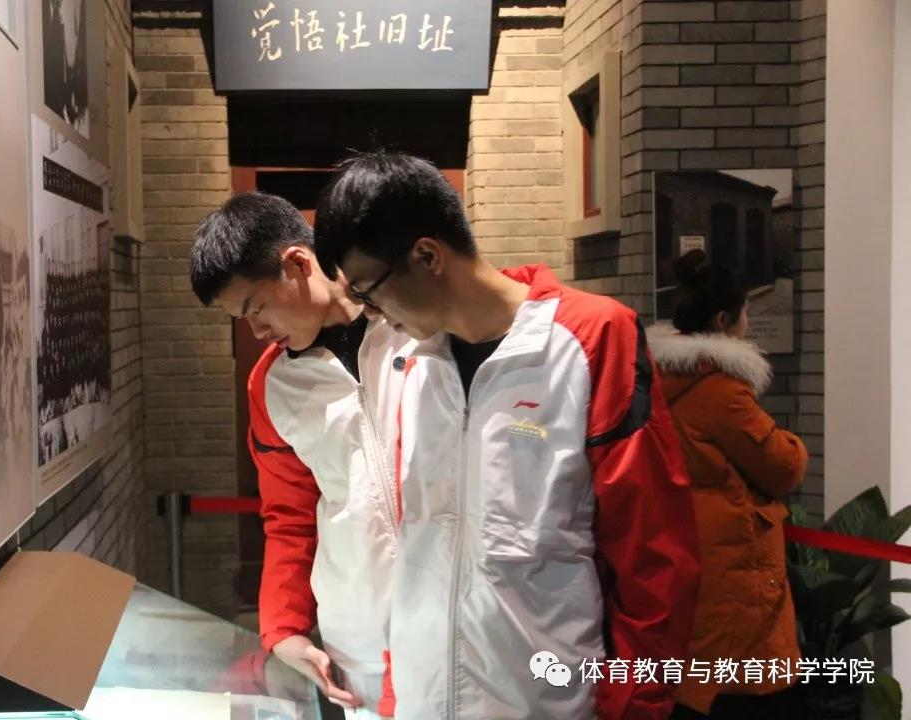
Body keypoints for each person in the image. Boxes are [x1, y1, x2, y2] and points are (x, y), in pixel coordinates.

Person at [313, 150, 701, 720]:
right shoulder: (413, 366)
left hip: (546, 702)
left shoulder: (591, 338)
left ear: (427, 256)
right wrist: (397, 691)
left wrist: (635, 707)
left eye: (369, 290)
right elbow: (415, 547)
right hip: (422, 702)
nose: (371, 313)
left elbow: (654, 552)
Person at [190, 192, 414, 719]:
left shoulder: (416, 332)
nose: (257, 332)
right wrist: (283, 627)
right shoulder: (272, 385)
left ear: (297, 264)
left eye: (256, 308)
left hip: (462, 622)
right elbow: (288, 515)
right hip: (358, 642)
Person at [647, 250, 807, 720]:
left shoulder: (657, 378)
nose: (748, 322)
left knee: (695, 679)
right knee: (743, 685)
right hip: (733, 562)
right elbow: (783, 467)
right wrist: (796, 445)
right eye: (745, 312)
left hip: (682, 546)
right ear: (723, 319)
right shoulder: (721, 389)